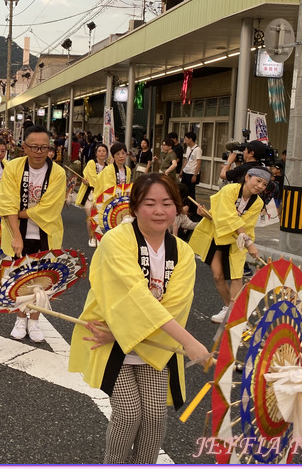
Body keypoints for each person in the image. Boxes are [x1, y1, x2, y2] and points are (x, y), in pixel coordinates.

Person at [69, 173, 209, 464]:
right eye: (150, 203)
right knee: (129, 414)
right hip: (108, 342)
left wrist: (123, 333)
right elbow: (133, 297)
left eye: (167, 203)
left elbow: (175, 307)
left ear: (178, 208)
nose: (159, 211)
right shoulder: (115, 241)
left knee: (156, 417)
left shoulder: (182, 252)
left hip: (153, 345)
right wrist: (190, 342)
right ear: (133, 207)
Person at [0, 126, 66, 343]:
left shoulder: (58, 173)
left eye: (44, 147)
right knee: (20, 277)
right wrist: (16, 235)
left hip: (47, 233)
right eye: (34, 147)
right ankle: (20, 318)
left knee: (42, 280)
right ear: (24, 147)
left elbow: (49, 209)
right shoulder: (14, 167)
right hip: (18, 232)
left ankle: (34, 320)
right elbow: (7, 202)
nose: (39, 151)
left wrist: (18, 212)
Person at [189, 166, 270, 324]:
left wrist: (247, 241)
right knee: (218, 275)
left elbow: (245, 225)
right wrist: (248, 241)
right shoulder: (229, 190)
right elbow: (226, 215)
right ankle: (228, 308)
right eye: (258, 181)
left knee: (236, 276)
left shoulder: (257, 202)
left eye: (264, 184)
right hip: (218, 235)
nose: (260, 186)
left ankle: (237, 316)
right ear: (247, 177)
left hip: (237, 240)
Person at [180, 132, 202, 216]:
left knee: (191, 192)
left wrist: (195, 175)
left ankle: (194, 210)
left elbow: (199, 163)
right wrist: (182, 171)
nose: (185, 140)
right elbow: (186, 160)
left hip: (192, 173)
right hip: (186, 171)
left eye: (186, 138)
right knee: (183, 190)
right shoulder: (188, 148)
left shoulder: (198, 149)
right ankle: (184, 206)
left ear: (190, 139)